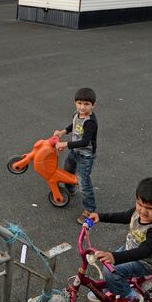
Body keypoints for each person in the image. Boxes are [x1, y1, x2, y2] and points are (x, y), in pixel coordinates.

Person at [87, 177, 152, 302]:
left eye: (150, 208)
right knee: (108, 266)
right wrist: (100, 217)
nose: (143, 211)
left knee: (112, 271)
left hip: (145, 262)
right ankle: (114, 287)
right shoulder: (137, 212)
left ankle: (130, 297)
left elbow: (144, 251)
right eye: (139, 204)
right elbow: (123, 216)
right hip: (130, 249)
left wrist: (116, 257)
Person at [53, 87, 98, 223]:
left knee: (84, 182)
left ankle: (90, 209)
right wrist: (63, 132)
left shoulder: (90, 122)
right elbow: (73, 125)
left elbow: (85, 142)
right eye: (79, 103)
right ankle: (70, 189)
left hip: (85, 156)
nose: (82, 107)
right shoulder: (76, 114)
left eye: (86, 104)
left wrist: (65, 144)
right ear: (75, 103)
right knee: (68, 169)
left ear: (93, 105)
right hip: (75, 151)